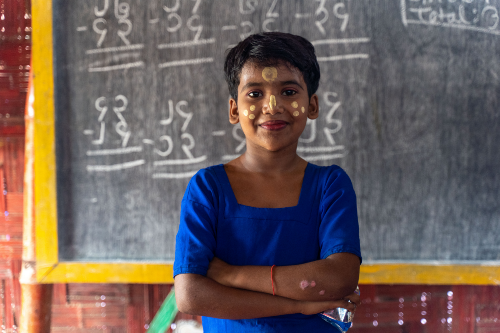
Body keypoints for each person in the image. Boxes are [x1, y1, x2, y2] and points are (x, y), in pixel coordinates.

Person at [173, 32, 362, 332]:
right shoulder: (208, 188)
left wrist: (232, 276)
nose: (272, 106)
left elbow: (339, 279)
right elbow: (191, 296)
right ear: (234, 109)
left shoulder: (330, 186)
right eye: (255, 93)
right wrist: (299, 305)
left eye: (288, 92)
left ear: (312, 106)